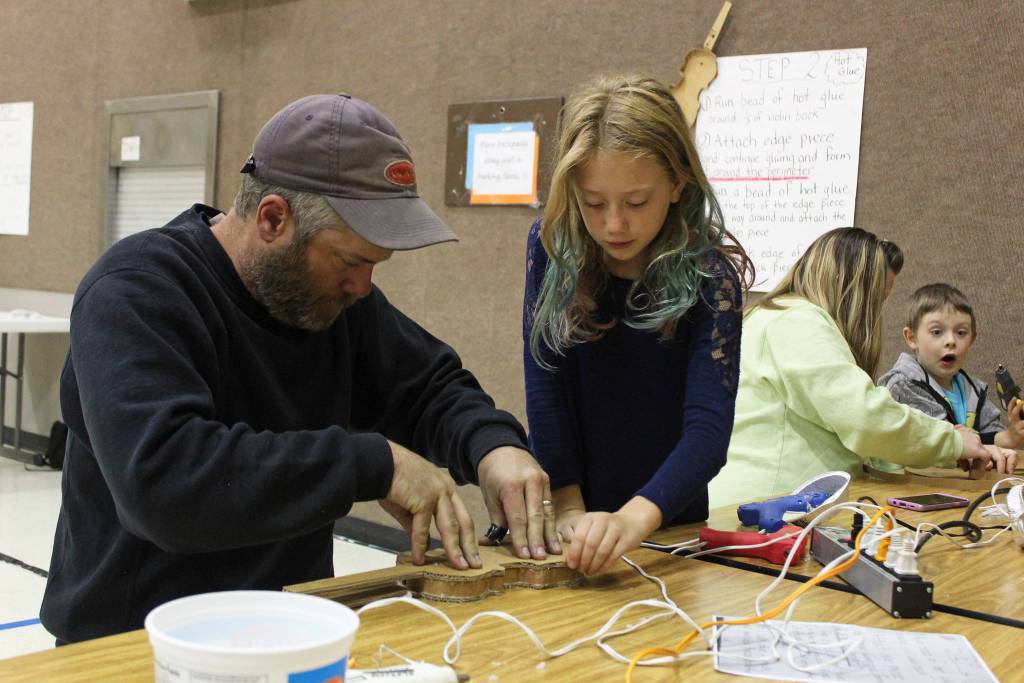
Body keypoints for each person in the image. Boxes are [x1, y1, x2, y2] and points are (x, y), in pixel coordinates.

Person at [42, 93, 558, 644]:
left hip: (289, 629)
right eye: (351, 261)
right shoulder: (135, 293)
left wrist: (493, 447)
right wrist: (371, 464)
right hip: (131, 645)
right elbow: (165, 483)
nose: (363, 287)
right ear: (272, 218)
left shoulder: (335, 302)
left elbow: (428, 387)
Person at [523, 75, 755, 575]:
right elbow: (545, 384)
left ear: (677, 183)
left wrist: (633, 520)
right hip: (570, 514)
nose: (613, 225)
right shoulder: (552, 250)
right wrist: (567, 505)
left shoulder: (711, 276)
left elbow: (708, 431)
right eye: (592, 202)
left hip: (665, 522)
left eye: (635, 202)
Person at [708, 228, 1017, 508]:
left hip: (771, 503)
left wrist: (955, 446)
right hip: (773, 507)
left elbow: (850, 428)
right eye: (875, 301)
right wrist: (951, 442)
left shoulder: (771, 316)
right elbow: (864, 417)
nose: (874, 314)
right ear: (851, 289)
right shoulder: (796, 321)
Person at [878, 283, 1024, 448]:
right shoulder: (903, 385)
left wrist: (1010, 436)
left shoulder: (973, 389)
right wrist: (994, 445)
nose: (951, 341)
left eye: (961, 333)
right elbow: (940, 442)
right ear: (912, 338)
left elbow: (988, 434)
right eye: (937, 332)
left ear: (972, 340)